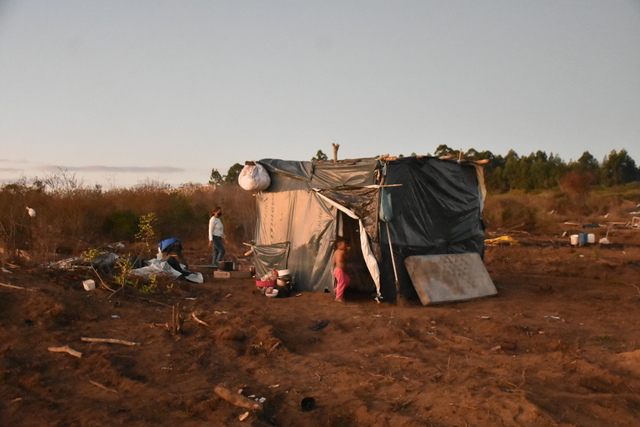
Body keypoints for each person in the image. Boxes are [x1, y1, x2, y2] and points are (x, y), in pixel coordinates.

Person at [333, 236, 351, 302]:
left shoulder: (336, 252)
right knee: (342, 282)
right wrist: (348, 251)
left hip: (338, 270)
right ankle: (338, 297)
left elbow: (334, 261)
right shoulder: (342, 252)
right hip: (339, 270)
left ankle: (338, 289)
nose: (345, 246)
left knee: (347, 280)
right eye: (344, 245)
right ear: (339, 245)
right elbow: (346, 258)